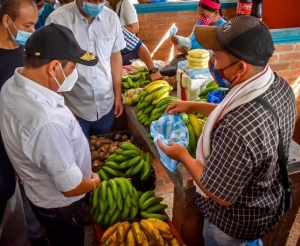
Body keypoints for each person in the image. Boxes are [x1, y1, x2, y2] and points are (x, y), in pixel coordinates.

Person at [157, 15, 296, 245]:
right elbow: (237, 109)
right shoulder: (277, 84)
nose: (212, 62)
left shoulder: (236, 130)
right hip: (265, 202)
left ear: (241, 67)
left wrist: (183, 156)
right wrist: (193, 105)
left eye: (216, 56)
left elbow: (220, 194)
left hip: (233, 224)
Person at [0, 23, 101, 246]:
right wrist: (95, 182)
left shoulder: (11, 86)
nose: (73, 73)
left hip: (38, 193)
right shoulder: (45, 121)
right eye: (73, 68)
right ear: (54, 67)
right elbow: (71, 187)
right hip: (62, 208)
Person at [0, 1, 48, 245]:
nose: (32, 31)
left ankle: (35, 235)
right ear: (7, 21)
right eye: (27, 25)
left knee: (17, 220)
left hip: (25, 148)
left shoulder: (25, 51)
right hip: (5, 154)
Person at [45, 0, 126, 138]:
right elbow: (51, 68)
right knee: (78, 153)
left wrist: (118, 95)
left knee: (103, 148)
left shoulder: (111, 18)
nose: (96, 4)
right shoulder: (58, 20)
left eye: (101, 0)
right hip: (74, 107)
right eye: (91, 0)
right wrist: (64, 107)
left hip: (106, 105)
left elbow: (115, 57)